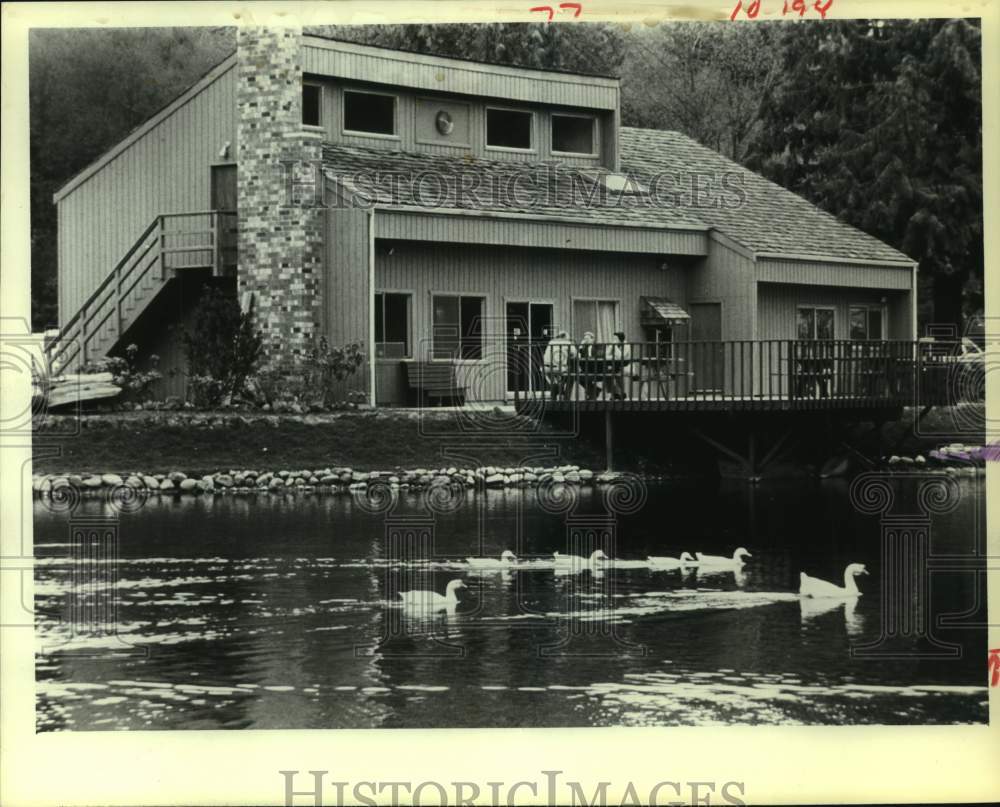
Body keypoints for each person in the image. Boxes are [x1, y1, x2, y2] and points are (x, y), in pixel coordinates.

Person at [542, 331, 576, 399]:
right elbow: (575, 354)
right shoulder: (567, 342)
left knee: (555, 381)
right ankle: (566, 397)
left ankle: (557, 390)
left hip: (545, 368)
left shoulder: (551, 342)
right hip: (558, 368)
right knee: (572, 375)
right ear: (565, 337)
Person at [606, 331, 633, 399]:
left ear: (620, 339)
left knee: (617, 372)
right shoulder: (614, 344)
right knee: (607, 374)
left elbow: (621, 356)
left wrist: (615, 347)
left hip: (626, 366)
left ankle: (621, 392)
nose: (614, 340)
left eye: (615, 338)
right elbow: (606, 354)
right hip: (616, 365)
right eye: (613, 338)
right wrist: (612, 347)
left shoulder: (626, 345)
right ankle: (615, 393)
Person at [577, 331, 601, 400]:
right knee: (578, 377)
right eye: (584, 339)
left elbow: (599, 356)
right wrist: (581, 346)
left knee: (585, 376)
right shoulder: (584, 348)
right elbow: (580, 357)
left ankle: (593, 393)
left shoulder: (597, 346)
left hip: (596, 368)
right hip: (587, 368)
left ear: (592, 339)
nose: (585, 341)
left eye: (587, 339)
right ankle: (595, 391)